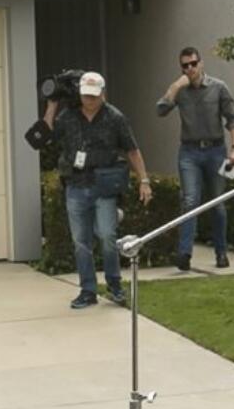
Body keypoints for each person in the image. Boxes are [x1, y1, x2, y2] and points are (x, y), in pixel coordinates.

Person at [43, 71, 153, 309]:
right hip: (75, 184)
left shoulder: (115, 117)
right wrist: (52, 103)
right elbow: (48, 134)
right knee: (81, 241)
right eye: (85, 96)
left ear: (103, 94)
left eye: (94, 96)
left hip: (104, 185)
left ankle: (114, 285)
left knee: (106, 235)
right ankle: (88, 290)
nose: (89, 100)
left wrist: (144, 180)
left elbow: (132, 150)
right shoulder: (69, 116)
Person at [156, 46, 234, 271]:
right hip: (189, 152)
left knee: (217, 204)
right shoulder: (181, 90)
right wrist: (175, 86)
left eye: (194, 64)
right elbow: (161, 110)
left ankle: (221, 252)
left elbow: (233, 119)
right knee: (190, 200)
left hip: (215, 150)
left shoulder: (218, 87)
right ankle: (184, 254)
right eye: (185, 66)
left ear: (201, 63)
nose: (190, 69)